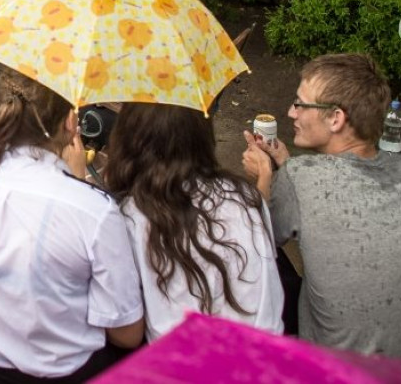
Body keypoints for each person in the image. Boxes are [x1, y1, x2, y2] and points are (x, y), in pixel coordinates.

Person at [241, 53, 401, 379]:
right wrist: (288, 168)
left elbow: (256, 246)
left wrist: (264, 177)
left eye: (301, 104)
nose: (291, 112)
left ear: (335, 118)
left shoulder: (300, 177)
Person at [0, 70, 145, 383]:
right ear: (70, 123)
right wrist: (79, 186)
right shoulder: (94, 211)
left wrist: (74, 186)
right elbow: (127, 333)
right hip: (57, 375)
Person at [102, 103, 283, 343]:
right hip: (263, 357)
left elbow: (126, 334)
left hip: (181, 366)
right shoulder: (245, 196)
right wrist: (264, 179)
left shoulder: (130, 215)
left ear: (129, 140)